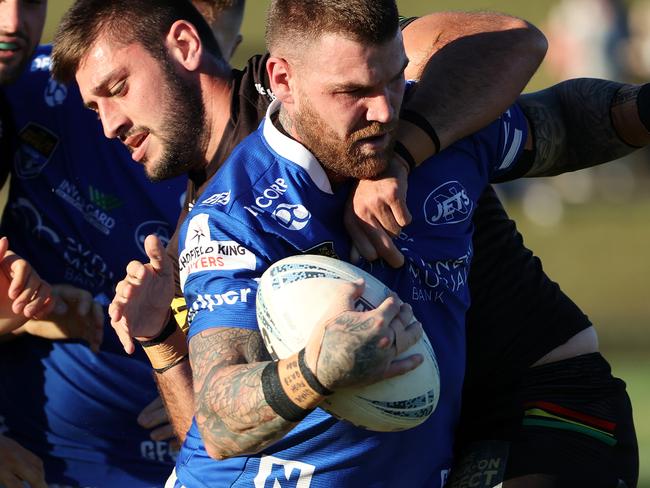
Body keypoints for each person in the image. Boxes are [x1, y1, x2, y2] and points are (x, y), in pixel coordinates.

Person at [55, 0, 641, 486]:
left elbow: (516, 51)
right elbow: (217, 436)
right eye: (94, 106)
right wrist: (164, 340)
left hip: (528, 396)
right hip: (425, 442)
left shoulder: (347, 82)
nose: (109, 124)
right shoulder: (214, 223)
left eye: (118, 88)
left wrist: (406, 151)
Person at [0, 0, 237, 486]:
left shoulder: (267, 147)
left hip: (189, 455)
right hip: (40, 442)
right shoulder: (45, 85)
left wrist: (208, 379)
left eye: (220, 52)